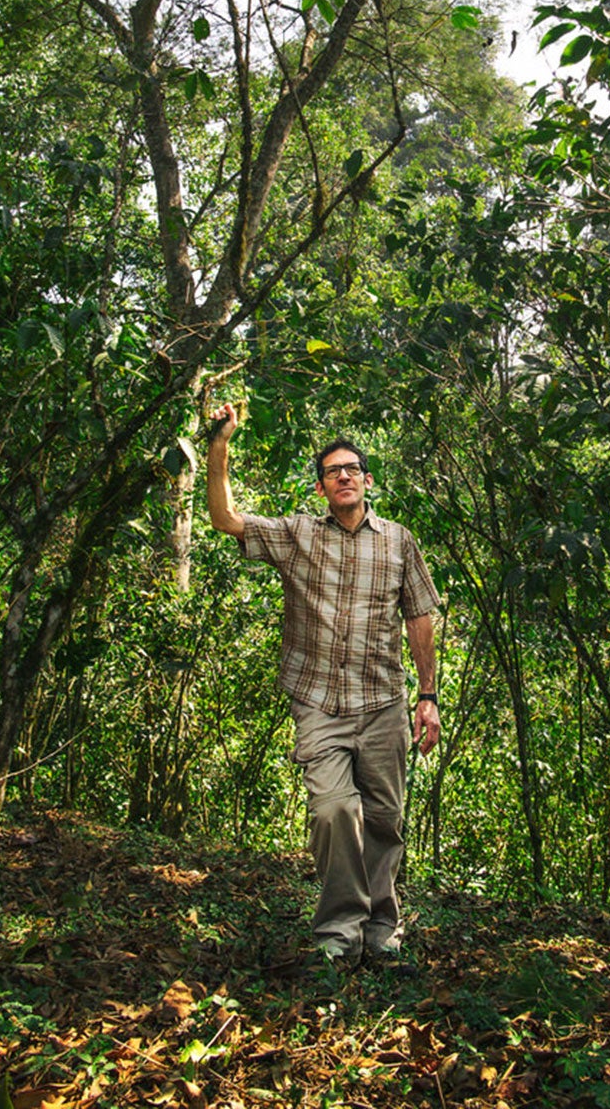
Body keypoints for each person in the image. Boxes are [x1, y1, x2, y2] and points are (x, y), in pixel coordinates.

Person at [206, 401, 441, 963]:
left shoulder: (399, 541)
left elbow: (420, 614)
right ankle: (340, 928)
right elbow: (225, 519)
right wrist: (219, 446)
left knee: (385, 819)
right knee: (334, 811)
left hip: (383, 701)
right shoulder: (298, 537)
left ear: (367, 481)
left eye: (351, 469)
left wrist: (428, 696)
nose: (343, 476)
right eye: (332, 471)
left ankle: (382, 926)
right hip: (319, 703)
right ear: (321, 488)